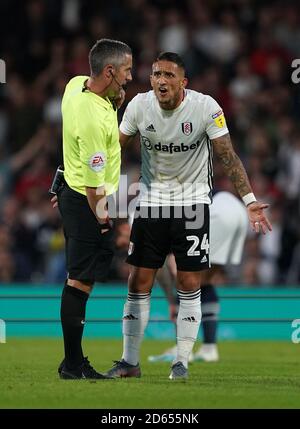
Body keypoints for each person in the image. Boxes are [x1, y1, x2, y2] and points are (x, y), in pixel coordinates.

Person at [105, 51, 271, 380]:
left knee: (189, 281)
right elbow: (114, 151)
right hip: (151, 203)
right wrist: (102, 196)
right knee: (138, 281)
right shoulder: (139, 106)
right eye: (155, 75)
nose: (161, 81)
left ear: (183, 82)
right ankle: (129, 362)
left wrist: (249, 200)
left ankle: (181, 361)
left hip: (193, 203)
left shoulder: (206, 107)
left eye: (168, 75)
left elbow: (227, 155)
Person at [56, 38, 132, 380]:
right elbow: (92, 185)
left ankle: (72, 362)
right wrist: (103, 221)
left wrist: (116, 103)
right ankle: (72, 364)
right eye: (127, 70)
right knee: (80, 281)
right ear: (110, 71)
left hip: (72, 190)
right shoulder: (93, 122)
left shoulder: (75, 86)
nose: (131, 77)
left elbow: (73, 146)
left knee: (83, 278)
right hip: (88, 200)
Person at [148, 190, 248, 363]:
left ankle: (182, 349)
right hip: (237, 210)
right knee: (205, 279)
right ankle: (209, 348)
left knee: (185, 278)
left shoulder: (159, 212)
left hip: (218, 212)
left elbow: (173, 267)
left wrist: (173, 301)